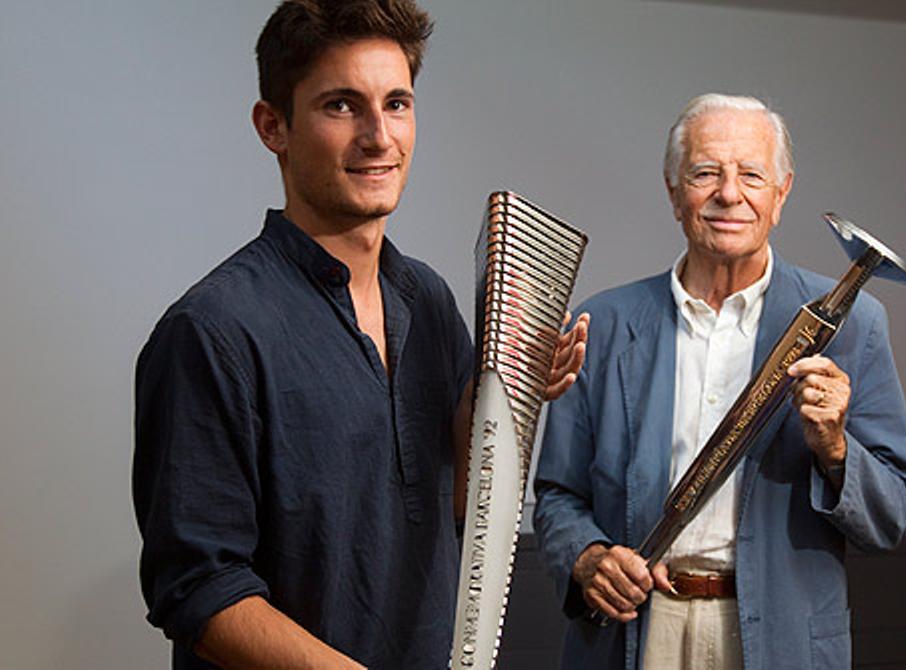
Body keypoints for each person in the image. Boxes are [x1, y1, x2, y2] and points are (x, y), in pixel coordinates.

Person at [132, 2, 587, 668]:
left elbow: (452, 502)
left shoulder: (427, 300)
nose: (379, 136)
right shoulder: (212, 330)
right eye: (342, 106)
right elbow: (199, 589)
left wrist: (506, 398)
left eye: (397, 103)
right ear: (273, 126)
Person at [533, 93, 906, 670]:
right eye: (705, 173)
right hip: (637, 632)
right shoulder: (604, 324)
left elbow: (890, 518)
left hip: (782, 641)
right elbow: (558, 495)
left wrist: (836, 449)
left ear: (782, 193)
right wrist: (587, 558)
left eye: (751, 175)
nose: (729, 194)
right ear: (673, 192)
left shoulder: (855, 327)